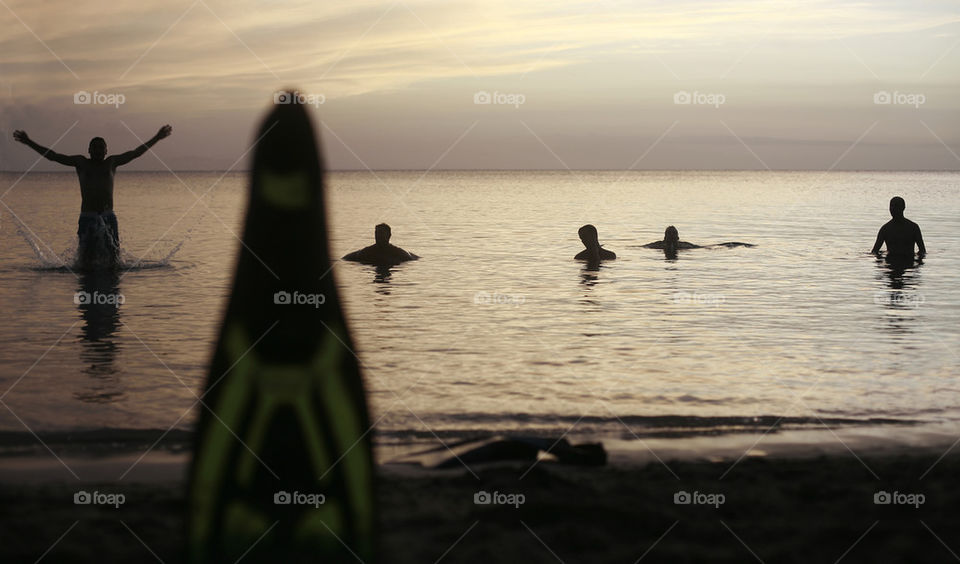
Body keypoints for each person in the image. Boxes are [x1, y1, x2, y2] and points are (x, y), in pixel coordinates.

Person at [13, 125, 173, 263]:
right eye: (94, 147)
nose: (97, 150)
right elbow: (53, 156)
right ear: (89, 150)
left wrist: (157, 137)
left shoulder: (111, 162)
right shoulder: (81, 162)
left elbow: (136, 152)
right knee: (85, 261)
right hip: (87, 216)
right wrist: (28, 142)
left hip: (108, 216)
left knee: (113, 260)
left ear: (106, 150)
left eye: (100, 147)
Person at [871, 196, 925, 260]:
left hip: (908, 264)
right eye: (891, 206)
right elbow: (874, 251)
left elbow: (922, 251)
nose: (893, 209)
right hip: (891, 264)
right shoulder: (885, 229)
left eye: (896, 206)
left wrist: (917, 265)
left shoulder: (913, 227)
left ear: (903, 208)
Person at [342, 223, 418, 266]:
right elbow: (346, 258)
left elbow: (411, 258)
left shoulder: (397, 252)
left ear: (389, 235)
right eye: (376, 233)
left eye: (381, 233)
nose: (378, 236)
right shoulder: (366, 252)